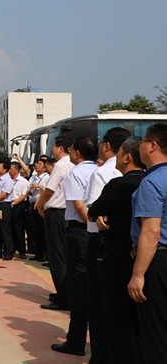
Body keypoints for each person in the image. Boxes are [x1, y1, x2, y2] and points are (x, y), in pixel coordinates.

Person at [88, 136, 145, 363]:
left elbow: (94, 210)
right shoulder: (150, 181)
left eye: (120, 153)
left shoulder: (119, 184)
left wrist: (100, 214)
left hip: (117, 254)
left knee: (116, 311)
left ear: (128, 157)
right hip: (147, 254)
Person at [84, 127, 129, 364]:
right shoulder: (143, 173)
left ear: (107, 146)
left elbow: (92, 211)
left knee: (101, 303)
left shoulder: (102, 173)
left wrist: (98, 216)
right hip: (133, 245)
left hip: (102, 245)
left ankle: (101, 355)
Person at [51, 137, 98, 357]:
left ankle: (76, 341)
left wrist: (90, 227)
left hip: (81, 231)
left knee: (79, 288)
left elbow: (79, 206)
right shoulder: (101, 171)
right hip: (98, 233)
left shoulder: (76, 173)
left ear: (77, 153)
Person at [128, 124, 167, 364]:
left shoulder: (152, 182)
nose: (139, 145)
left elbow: (151, 233)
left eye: (142, 141)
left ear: (152, 145)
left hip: (159, 261)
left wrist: (138, 274)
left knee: (156, 332)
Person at [36, 137, 75, 311]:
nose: (52, 150)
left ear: (60, 148)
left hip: (56, 213)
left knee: (57, 257)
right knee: (65, 256)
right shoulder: (74, 163)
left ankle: (63, 298)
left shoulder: (60, 165)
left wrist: (39, 205)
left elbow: (48, 191)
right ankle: (65, 292)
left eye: (53, 146)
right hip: (68, 213)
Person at [28, 159, 50, 261]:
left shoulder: (47, 177)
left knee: (42, 231)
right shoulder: (33, 177)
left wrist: (39, 186)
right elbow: (28, 188)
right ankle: (38, 253)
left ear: (44, 168)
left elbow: (48, 190)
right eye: (37, 164)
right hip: (32, 204)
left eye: (40, 164)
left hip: (41, 206)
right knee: (34, 231)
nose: (37, 166)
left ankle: (44, 254)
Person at [8, 161, 31, 259]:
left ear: (17, 170)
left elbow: (23, 195)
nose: (9, 171)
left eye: (11, 169)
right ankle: (10, 249)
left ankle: (22, 251)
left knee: (18, 229)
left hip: (18, 206)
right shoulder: (8, 180)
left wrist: (14, 203)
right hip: (8, 205)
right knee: (9, 228)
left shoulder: (23, 181)